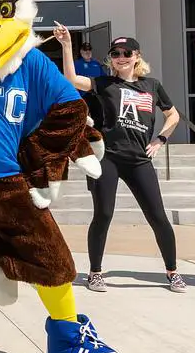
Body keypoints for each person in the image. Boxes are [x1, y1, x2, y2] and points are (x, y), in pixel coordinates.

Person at [54, 28, 185, 292]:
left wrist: (161, 139)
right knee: (103, 214)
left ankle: (172, 271)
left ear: (137, 56)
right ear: (111, 58)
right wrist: (67, 45)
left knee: (158, 216)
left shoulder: (152, 85)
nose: (121, 58)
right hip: (107, 157)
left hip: (139, 159)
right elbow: (71, 78)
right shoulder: (104, 83)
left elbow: (173, 115)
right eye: (116, 54)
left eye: (127, 53)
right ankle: (95, 272)